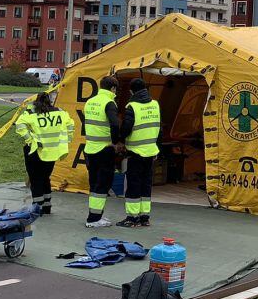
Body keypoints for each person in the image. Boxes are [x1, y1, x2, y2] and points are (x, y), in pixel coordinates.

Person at [14, 92, 75, 214]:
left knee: (35, 178)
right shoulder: (60, 112)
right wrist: (66, 140)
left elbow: (19, 124)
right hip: (52, 151)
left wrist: (29, 139)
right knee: (45, 177)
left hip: (35, 149)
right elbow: (71, 124)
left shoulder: (31, 113)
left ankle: (37, 207)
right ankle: (47, 205)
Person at [118, 78, 162, 227]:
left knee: (133, 184)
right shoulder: (155, 105)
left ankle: (132, 218)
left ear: (131, 91)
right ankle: (144, 217)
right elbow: (158, 128)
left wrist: (119, 139)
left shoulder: (132, 106)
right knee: (146, 184)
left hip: (135, 152)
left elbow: (126, 128)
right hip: (150, 151)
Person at [82, 75, 122, 228]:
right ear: (113, 88)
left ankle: (95, 215)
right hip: (104, 149)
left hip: (90, 148)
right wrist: (115, 142)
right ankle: (93, 219)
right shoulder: (109, 102)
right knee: (103, 184)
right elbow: (114, 124)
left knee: (94, 183)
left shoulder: (90, 101)